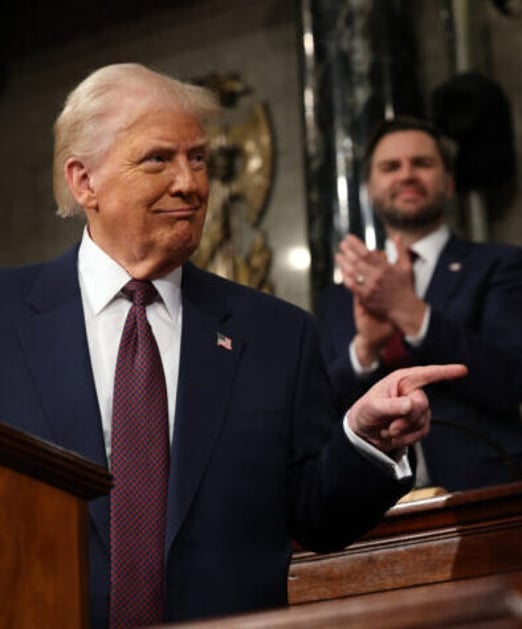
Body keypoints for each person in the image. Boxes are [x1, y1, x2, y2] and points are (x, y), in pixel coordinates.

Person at [0, 63, 466, 627]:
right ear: (84, 181)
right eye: (158, 159)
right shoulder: (9, 318)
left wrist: (364, 440)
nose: (190, 184)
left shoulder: (275, 334)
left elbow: (316, 517)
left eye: (198, 159)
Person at [315, 116, 522, 492]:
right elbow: (320, 413)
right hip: (371, 508)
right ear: (370, 189)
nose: (407, 174)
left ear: (449, 183)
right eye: (391, 167)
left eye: (421, 163)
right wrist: (365, 348)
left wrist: (411, 312)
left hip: (486, 492)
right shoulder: (339, 297)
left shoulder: (499, 264)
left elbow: (510, 381)